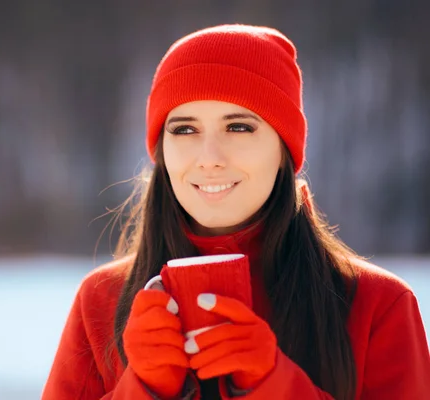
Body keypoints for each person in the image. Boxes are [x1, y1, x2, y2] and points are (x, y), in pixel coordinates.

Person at [41, 24, 430, 400]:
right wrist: (144, 390)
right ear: (162, 151)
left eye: (239, 127)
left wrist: (273, 387)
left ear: (284, 150)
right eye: (184, 130)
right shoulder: (101, 301)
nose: (210, 159)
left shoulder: (377, 304)